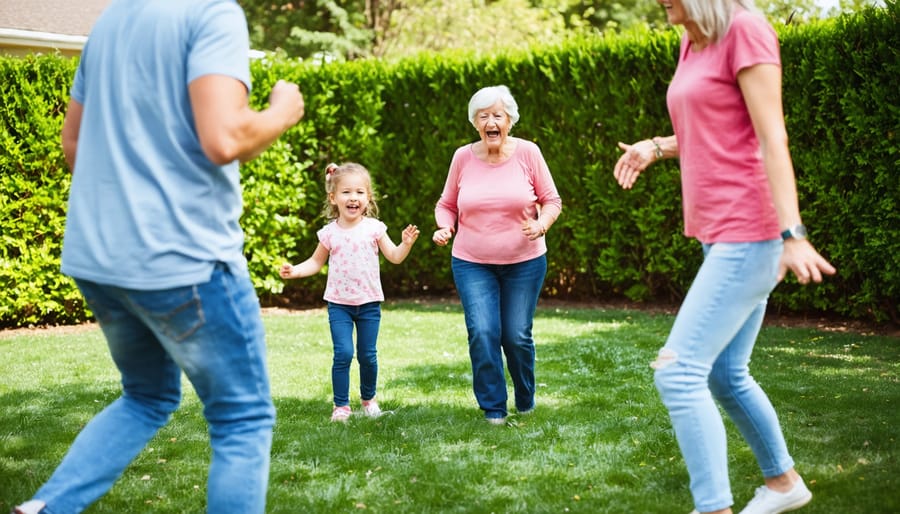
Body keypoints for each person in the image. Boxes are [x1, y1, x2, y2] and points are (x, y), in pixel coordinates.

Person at [12, 1, 305, 513]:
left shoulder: (111, 21)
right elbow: (224, 138)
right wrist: (283, 108)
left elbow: (74, 144)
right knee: (242, 418)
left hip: (100, 260)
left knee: (146, 396)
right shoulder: (212, 13)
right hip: (184, 261)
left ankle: (45, 508)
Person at [613, 0, 836, 513]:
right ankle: (784, 483)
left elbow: (770, 135)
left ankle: (712, 508)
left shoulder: (746, 30)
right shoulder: (693, 38)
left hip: (752, 233)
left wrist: (792, 233)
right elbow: (711, 127)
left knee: (678, 370)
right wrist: (656, 147)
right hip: (719, 234)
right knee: (725, 374)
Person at [433, 85, 562, 425]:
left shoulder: (528, 153)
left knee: (516, 335)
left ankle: (525, 396)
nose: (491, 122)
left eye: (497, 115)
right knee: (483, 331)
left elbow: (552, 200)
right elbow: (446, 204)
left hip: (525, 261)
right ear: (475, 123)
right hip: (472, 262)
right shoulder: (462, 157)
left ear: (509, 121)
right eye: (483, 116)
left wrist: (542, 224)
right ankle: (493, 407)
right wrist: (445, 227)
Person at [279, 162, 420, 422]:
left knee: (367, 355)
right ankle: (341, 406)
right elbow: (314, 262)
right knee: (343, 353)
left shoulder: (375, 228)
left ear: (368, 198)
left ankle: (369, 400)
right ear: (333, 198)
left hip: (368, 304)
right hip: (339, 304)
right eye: (346, 192)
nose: (353, 197)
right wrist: (294, 271)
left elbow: (395, 257)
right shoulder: (329, 233)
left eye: (359, 192)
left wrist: (406, 244)